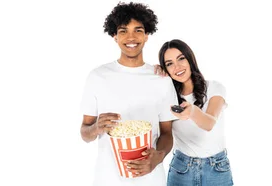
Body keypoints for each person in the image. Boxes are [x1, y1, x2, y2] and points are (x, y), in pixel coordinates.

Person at [79, 2, 178, 186]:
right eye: (123, 31)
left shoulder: (162, 79)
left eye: (138, 30)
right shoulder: (97, 77)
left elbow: (167, 134)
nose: (131, 37)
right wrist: (96, 128)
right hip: (108, 179)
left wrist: (157, 158)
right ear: (114, 36)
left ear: (147, 35)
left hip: (151, 180)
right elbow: (84, 133)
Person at [155, 39, 234, 186]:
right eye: (169, 63)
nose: (177, 67)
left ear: (190, 59)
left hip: (217, 169)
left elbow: (209, 122)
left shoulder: (214, 88)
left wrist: (192, 112)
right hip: (182, 169)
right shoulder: (168, 98)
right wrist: (156, 77)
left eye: (181, 59)